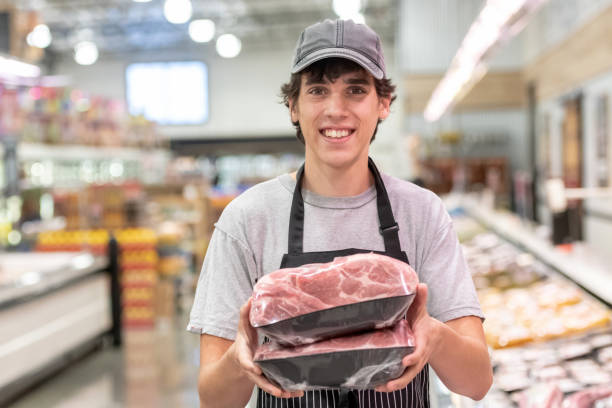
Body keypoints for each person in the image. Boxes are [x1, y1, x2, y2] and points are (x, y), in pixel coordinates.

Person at [188, 19, 492, 408]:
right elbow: (214, 401)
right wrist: (238, 358)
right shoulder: (248, 219)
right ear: (293, 106)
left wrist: (433, 334)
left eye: (355, 90)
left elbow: (477, 383)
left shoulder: (421, 212)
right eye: (317, 90)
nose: (335, 110)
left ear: (383, 104)